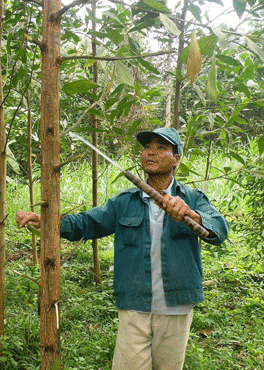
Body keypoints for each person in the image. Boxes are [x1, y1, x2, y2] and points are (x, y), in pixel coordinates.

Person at [16, 127, 229, 370]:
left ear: (176, 159)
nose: (151, 153)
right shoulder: (124, 201)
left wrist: (191, 214)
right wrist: (47, 221)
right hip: (134, 305)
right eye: (147, 147)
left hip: (177, 306)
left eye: (161, 148)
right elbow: (87, 223)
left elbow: (220, 229)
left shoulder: (191, 198)